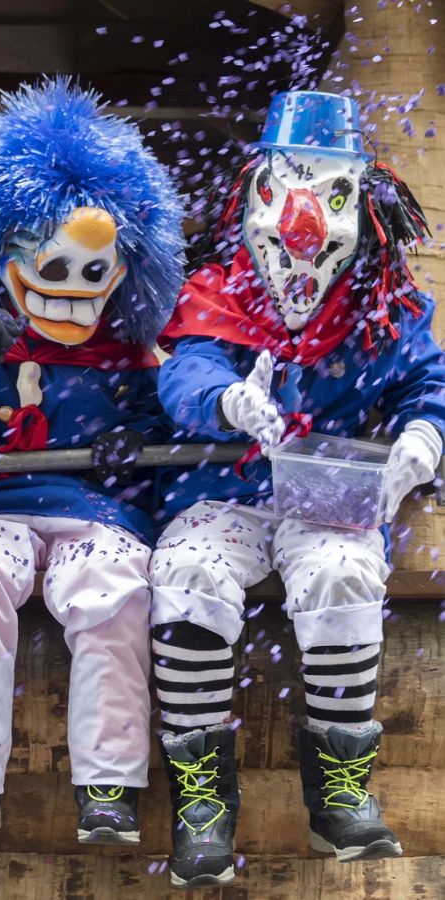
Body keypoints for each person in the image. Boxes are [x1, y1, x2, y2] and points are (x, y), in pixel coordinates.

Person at [151, 91, 445, 888]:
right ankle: (202, 801)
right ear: (255, 194)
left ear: (366, 207)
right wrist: (222, 398)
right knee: (188, 575)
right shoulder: (216, 290)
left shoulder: (386, 307)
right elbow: (184, 368)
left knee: (345, 575)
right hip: (224, 488)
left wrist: (422, 441)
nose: (303, 233)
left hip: (329, 496)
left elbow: (429, 385)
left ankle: (340, 794)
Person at [0, 78, 185, 848]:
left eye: (93, 273)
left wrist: (137, 456)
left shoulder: (132, 357)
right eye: (51, 270)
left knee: (114, 590)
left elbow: (171, 433)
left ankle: (108, 786)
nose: (70, 293)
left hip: (99, 514)